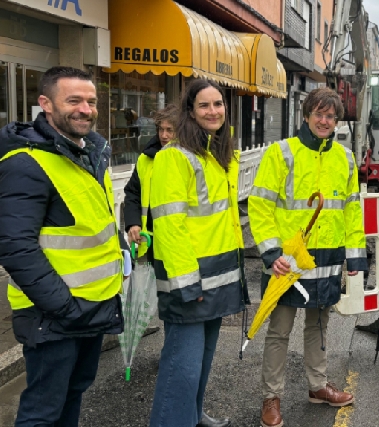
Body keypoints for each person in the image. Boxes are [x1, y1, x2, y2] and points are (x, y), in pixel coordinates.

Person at [0, 66, 129, 426]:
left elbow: (92, 222)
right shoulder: (27, 163)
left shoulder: (90, 152)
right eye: (73, 100)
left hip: (90, 305)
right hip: (54, 312)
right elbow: (14, 246)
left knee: (72, 395)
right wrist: (65, 307)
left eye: (90, 101)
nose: (85, 109)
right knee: (42, 410)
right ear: (46, 104)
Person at [249, 87, 367, 427]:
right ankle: (271, 397)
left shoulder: (344, 157)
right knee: (280, 329)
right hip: (289, 261)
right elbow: (260, 205)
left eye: (331, 116)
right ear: (305, 115)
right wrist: (271, 253)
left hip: (327, 259)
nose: (324, 120)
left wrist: (356, 257)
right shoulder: (281, 153)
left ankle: (318, 387)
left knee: (318, 325)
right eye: (319, 113)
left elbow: (351, 209)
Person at [148, 79, 245, 427]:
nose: (213, 111)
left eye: (218, 104)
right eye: (204, 105)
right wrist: (189, 286)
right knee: (181, 370)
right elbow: (169, 227)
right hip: (190, 283)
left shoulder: (219, 155)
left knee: (201, 362)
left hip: (217, 279)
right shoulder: (174, 157)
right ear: (190, 111)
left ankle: (192, 415)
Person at [124, 104, 179, 262]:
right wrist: (133, 223)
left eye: (170, 130)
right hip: (149, 241)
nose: (164, 135)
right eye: (161, 129)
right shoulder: (145, 159)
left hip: (177, 242)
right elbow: (133, 193)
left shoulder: (189, 160)